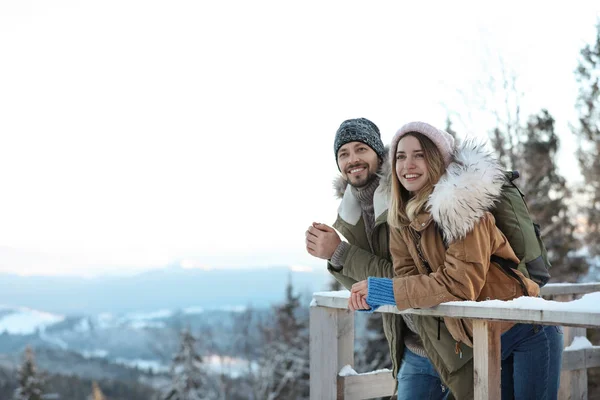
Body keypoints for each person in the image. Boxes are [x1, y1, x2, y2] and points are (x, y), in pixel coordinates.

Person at [349, 121, 564, 400]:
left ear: (438, 159)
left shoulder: (465, 208)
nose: (407, 164)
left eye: (419, 155)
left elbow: (460, 285)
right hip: (481, 341)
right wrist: (378, 297)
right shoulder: (402, 221)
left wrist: (385, 291)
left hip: (526, 334)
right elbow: (408, 282)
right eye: (400, 156)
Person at [306, 118, 451, 399]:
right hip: (412, 347)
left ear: (379, 154)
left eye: (361, 149)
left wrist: (340, 251)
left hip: (448, 341)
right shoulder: (353, 212)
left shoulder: (404, 198)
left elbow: (404, 279)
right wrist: (336, 260)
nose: (353, 159)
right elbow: (371, 281)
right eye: (344, 153)